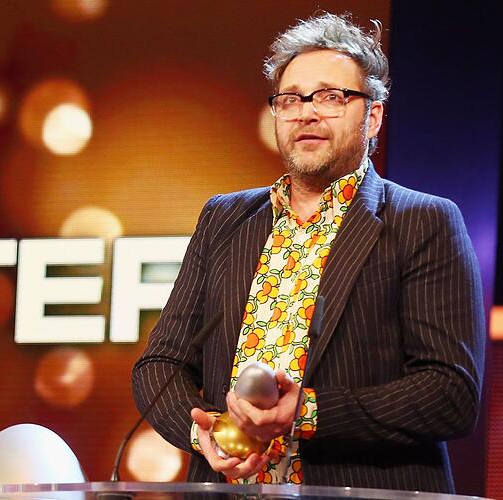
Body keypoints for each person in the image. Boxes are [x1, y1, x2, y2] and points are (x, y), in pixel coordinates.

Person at [131, 12, 485, 493]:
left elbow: (451, 393)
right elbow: (160, 365)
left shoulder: (423, 220)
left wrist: (307, 412)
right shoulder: (225, 218)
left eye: (331, 97)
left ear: (373, 116)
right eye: (291, 99)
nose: (307, 113)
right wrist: (204, 432)